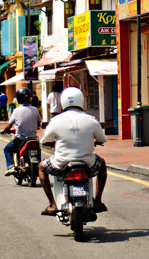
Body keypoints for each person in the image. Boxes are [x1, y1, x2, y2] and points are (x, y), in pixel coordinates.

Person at [39, 86, 108, 216]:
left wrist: (51, 141)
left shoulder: (55, 120)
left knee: (41, 167)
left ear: (63, 102)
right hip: (88, 164)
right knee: (102, 163)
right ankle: (98, 201)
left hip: (60, 164)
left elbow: (44, 140)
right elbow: (102, 138)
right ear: (81, 101)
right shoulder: (91, 119)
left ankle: (52, 204)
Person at [2, 87, 41, 176]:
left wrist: (4, 131)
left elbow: (9, 125)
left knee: (7, 149)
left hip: (21, 139)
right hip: (33, 138)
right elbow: (38, 123)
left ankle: (11, 167)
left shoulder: (17, 110)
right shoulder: (35, 109)